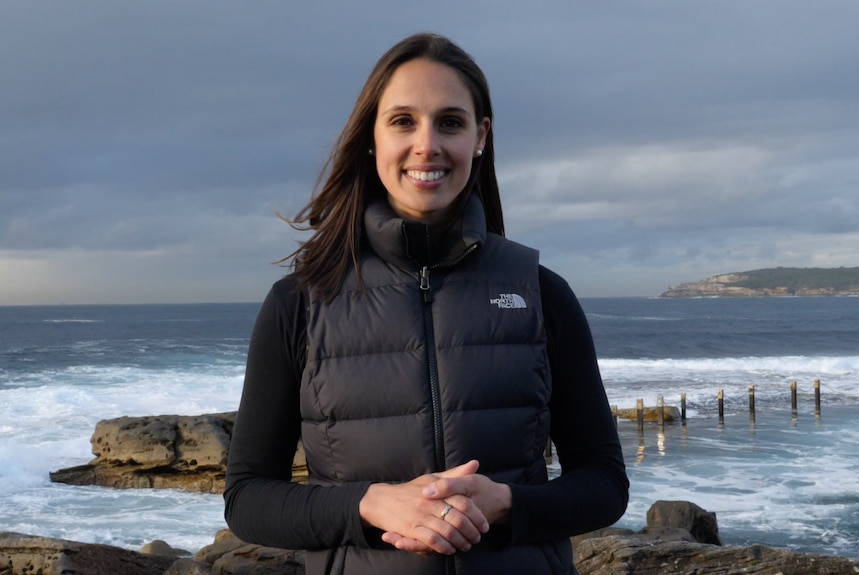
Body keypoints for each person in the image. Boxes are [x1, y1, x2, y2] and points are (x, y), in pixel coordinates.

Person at [224, 32, 628, 575]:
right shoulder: (299, 303)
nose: (427, 145)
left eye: (451, 122)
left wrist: (506, 504)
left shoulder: (540, 293)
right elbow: (246, 499)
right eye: (403, 121)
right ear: (372, 135)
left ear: (481, 137)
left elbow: (605, 484)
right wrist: (369, 503)